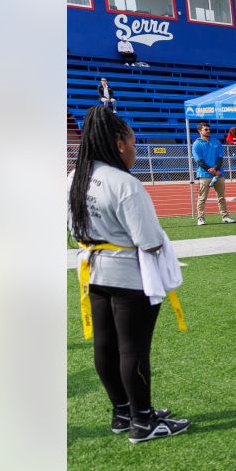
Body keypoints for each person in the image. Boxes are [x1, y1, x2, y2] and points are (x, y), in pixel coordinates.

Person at [67, 106, 189, 443]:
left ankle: (123, 413)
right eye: (134, 142)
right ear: (120, 143)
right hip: (128, 277)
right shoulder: (124, 183)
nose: (136, 149)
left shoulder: (73, 178)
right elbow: (149, 241)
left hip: (92, 271)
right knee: (133, 350)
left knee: (105, 346)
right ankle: (143, 421)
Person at [191, 121, 233, 226]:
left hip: (218, 173)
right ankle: (200, 218)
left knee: (221, 197)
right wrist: (211, 169)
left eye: (209, 129)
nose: (208, 131)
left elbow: (220, 158)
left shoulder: (216, 142)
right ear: (199, 130)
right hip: (204, 174)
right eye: (206, 129)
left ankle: (225, 216)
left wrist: (215, 169)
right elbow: (199, 161)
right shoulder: (196, 144)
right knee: (202, 197)